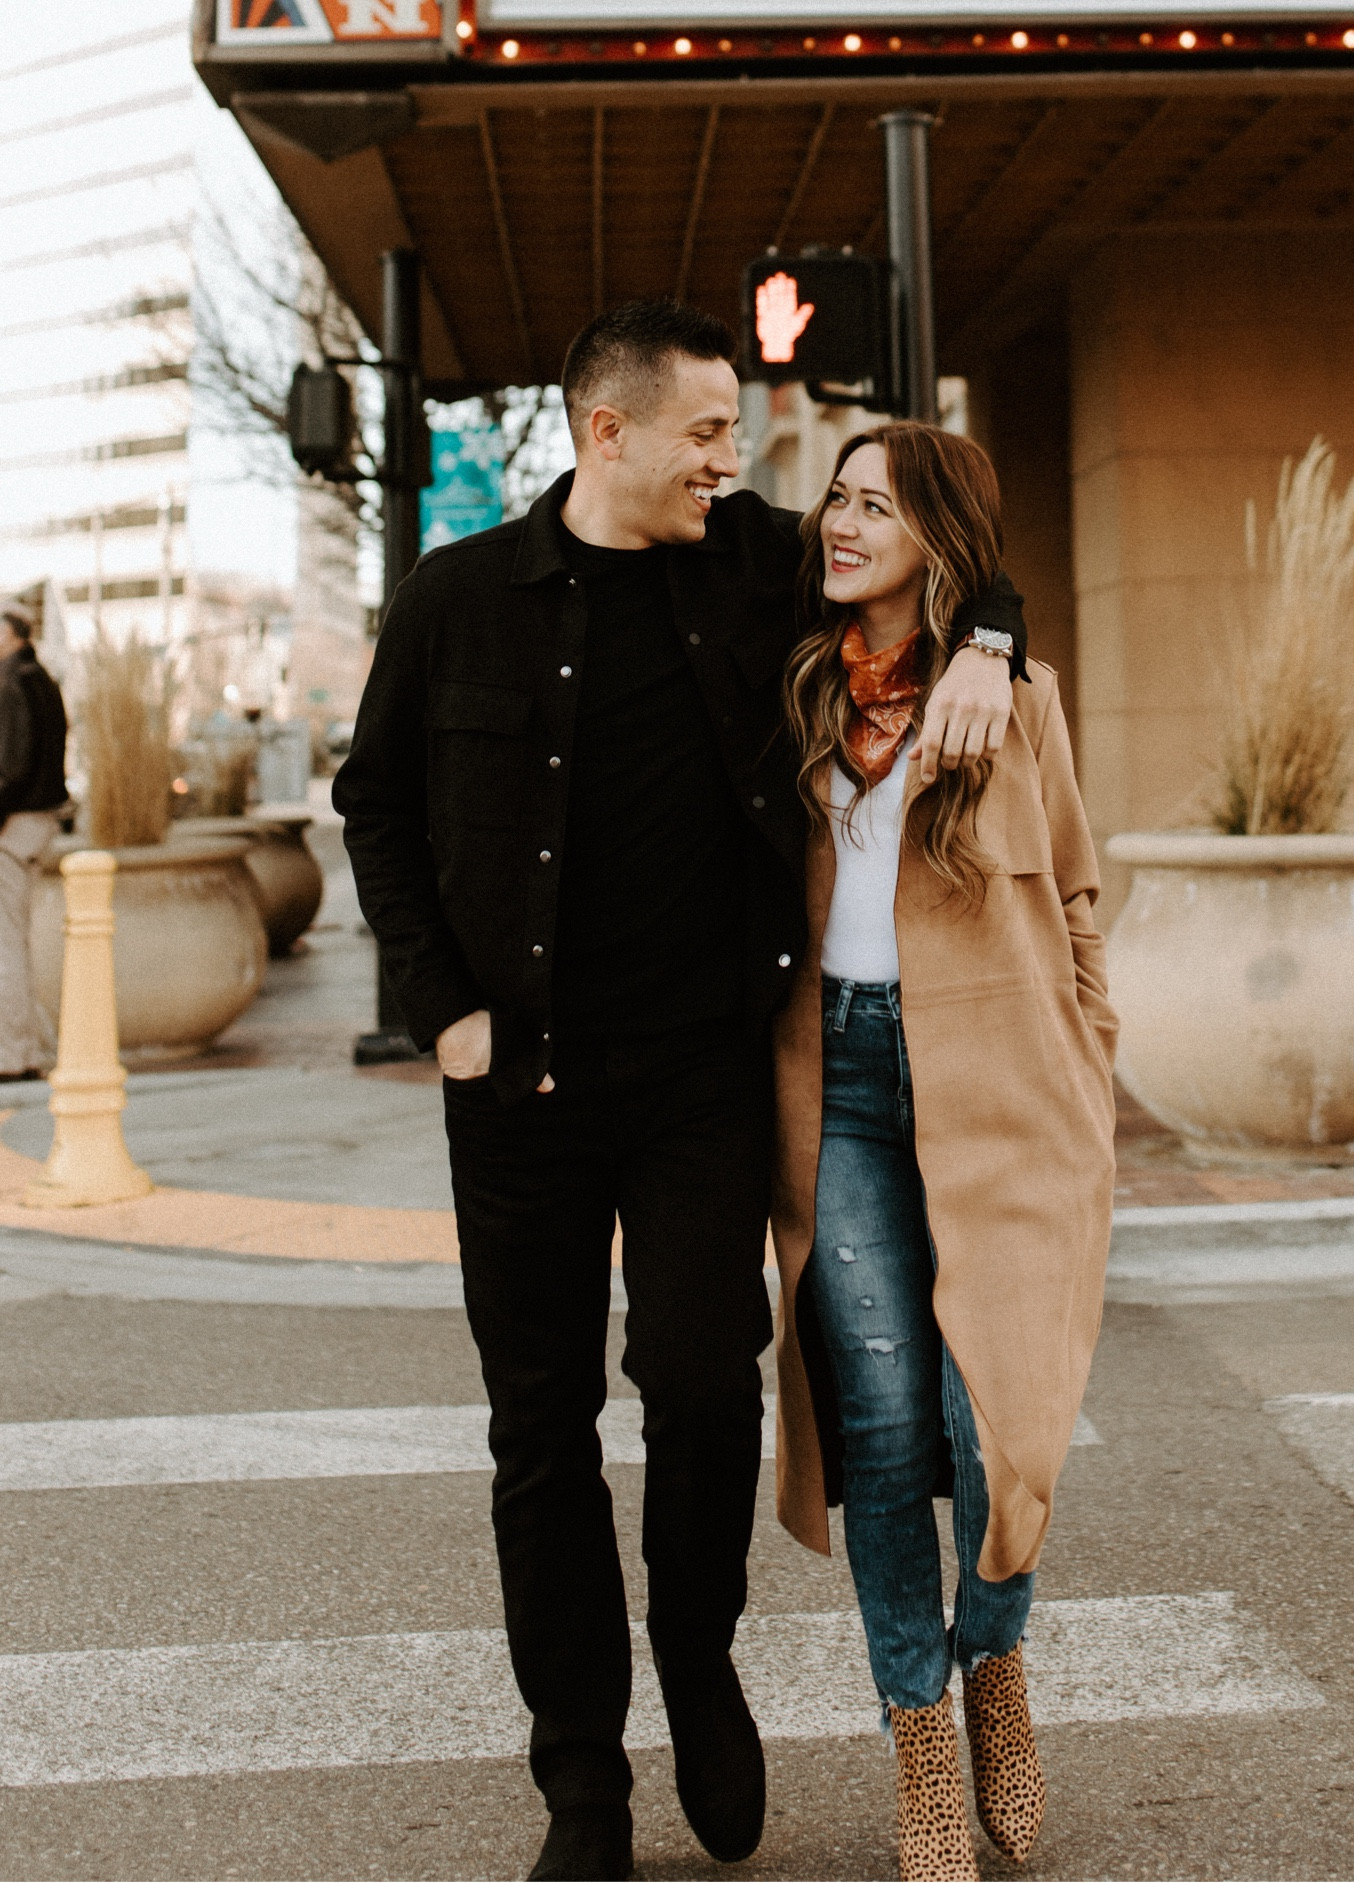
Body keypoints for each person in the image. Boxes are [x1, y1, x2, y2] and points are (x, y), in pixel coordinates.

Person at [333, 300, 1028, 1883]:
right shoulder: (457, 597)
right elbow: (371, 797)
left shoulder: (754, 560)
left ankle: (697, 1656)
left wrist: (988, 638)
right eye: (708, 432)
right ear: (609, 433)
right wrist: (435, 1003)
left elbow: (942, 547)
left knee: (706, 1385)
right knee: (540, 1428)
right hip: (515, 1090)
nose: (734, 457)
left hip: (703, 1077)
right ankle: (582, 1776)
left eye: (735, 434)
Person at [769, 424, 1118, 1882]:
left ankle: (996, 1663)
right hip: (832, 1080)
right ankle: (919, 1732)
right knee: (886, 1426)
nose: (841, 522)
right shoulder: (786, 679)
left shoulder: (1012, 695)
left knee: (1001, 1429)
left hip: (1000, 1074)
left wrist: (1091, 1060)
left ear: (939, 536)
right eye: (834, 498)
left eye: (875, 504)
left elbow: (1082, 891)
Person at [0, 602, 68, 1083]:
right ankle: (27, 1048)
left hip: (15, 825)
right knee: (14, 937)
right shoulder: (41, 678)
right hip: (39, 821)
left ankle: (12, 1053)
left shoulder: (9, 682)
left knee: (5, 943)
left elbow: (13, 765)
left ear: (11, 632)